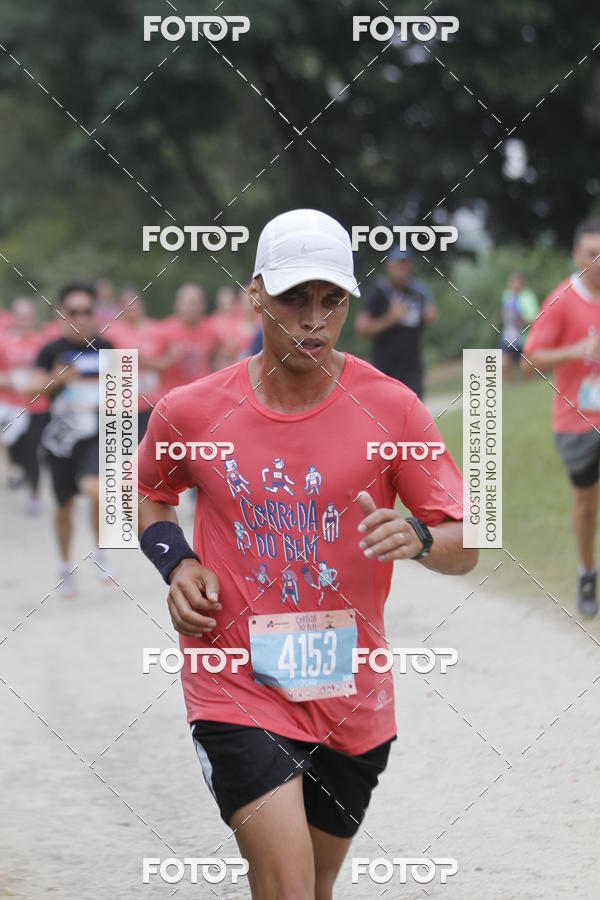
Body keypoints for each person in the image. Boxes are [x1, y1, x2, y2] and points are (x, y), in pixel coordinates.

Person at [137, 209, 477, 899]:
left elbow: (466, 542)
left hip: (351, 695)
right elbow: (148, 492)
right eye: (295, 298)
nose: (314, 320)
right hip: (234, 681)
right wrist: (178, 563)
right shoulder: (192, 409)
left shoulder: (394, 408)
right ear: (256, 292)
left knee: (314, 890)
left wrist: (416, 538)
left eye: (332, 301)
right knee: (289, 887)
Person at [522, 219, 600, 618]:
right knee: (586, 504)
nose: (598, 261)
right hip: (577, 422)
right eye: (591, 254)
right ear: (576, 256)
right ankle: (588, 571)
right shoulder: (561, 300)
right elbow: (527, 361)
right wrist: (574, 350)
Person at [28, 282, 113, 596]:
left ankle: (101, 552)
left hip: (95, 436)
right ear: (62, 314)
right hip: (60, 440)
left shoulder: (108, 347)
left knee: (97, 491)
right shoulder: (51, 350)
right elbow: (30, 388)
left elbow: (125, 394)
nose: (79, 317)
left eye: (86, 311)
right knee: (64, 508)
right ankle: (66, 567)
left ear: (95, 314)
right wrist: (56, 379)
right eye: (72, 311)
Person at [355, 246, 437, 397]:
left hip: (412, 368)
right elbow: (361, 329)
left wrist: (428, 316)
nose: (402, 271)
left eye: (405, 266)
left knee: (415, 415)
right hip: (385, 369)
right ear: (389, 267)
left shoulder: (419, 292)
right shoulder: (379, 293)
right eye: (398, 266)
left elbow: (431, 314)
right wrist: (390, 319)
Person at [0, 297, 49, 512]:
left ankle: (34, 494)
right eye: (20, 317)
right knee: (12, 445)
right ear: (14, 318)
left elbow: (51, 375)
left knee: (32, 451)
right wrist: (10, 380)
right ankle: (15, 469)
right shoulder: (4, 342)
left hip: (37, 407)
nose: (24, 322)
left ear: (34, 318)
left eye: (28, 317)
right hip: (11, 406)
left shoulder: (42, 344)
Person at [109, 284, 162, 439]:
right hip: (123, 404)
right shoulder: (112, 333)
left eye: (135, 302)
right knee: (123, 454)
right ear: (120, 306)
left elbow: (169, 360)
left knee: (150, 451)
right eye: (127, 303)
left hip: (153, 401)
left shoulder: (157, 329)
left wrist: (148, 362)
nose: (132, 306)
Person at [154, 283, 218, 393]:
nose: (192, 308)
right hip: (173, 395)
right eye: (188, 303)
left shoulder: (211, 330)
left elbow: (216, 360)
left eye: (196, 304)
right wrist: (168, 360)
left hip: (202, 394)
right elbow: (147, 363)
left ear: (203, 306)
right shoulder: (164, 329)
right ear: (177, 305)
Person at [500, 272, 538, 377]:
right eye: (512, 282)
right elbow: (505, 314)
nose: (514, 285)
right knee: (503, 364)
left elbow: (534, 320)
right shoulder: (507, 296)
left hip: (525, 338)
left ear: (522, 284)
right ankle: (513, 388)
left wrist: (519, 320)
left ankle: (524, 384)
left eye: (517, 282)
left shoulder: (528, 298)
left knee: (526, 367)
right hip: (509, 336)